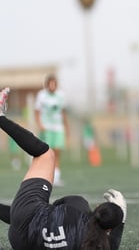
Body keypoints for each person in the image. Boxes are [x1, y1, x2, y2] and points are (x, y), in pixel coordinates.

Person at [0, 87, 127, 250]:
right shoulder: (95, 244)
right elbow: (112, 246)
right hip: (21, 243)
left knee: (45, 154)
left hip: (26, 215)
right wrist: (120, 221)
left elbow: (63, 204)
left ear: (96, 210)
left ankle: (1, 117)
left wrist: (53, 210)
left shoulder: (79, 206)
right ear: (108, 230)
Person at [35, 74, 69, 186]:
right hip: (47, 128)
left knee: (57, 152)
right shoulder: (41, 95)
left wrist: (66, 127)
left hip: (58, 127)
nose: (52, 86)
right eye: (50, 84)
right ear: (47, 84)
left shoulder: (61, 95)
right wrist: (40, 125)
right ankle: (44, 177)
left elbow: (63, 112)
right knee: (46, 153)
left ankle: (57, 177)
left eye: (54, 84)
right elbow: (37, 112)